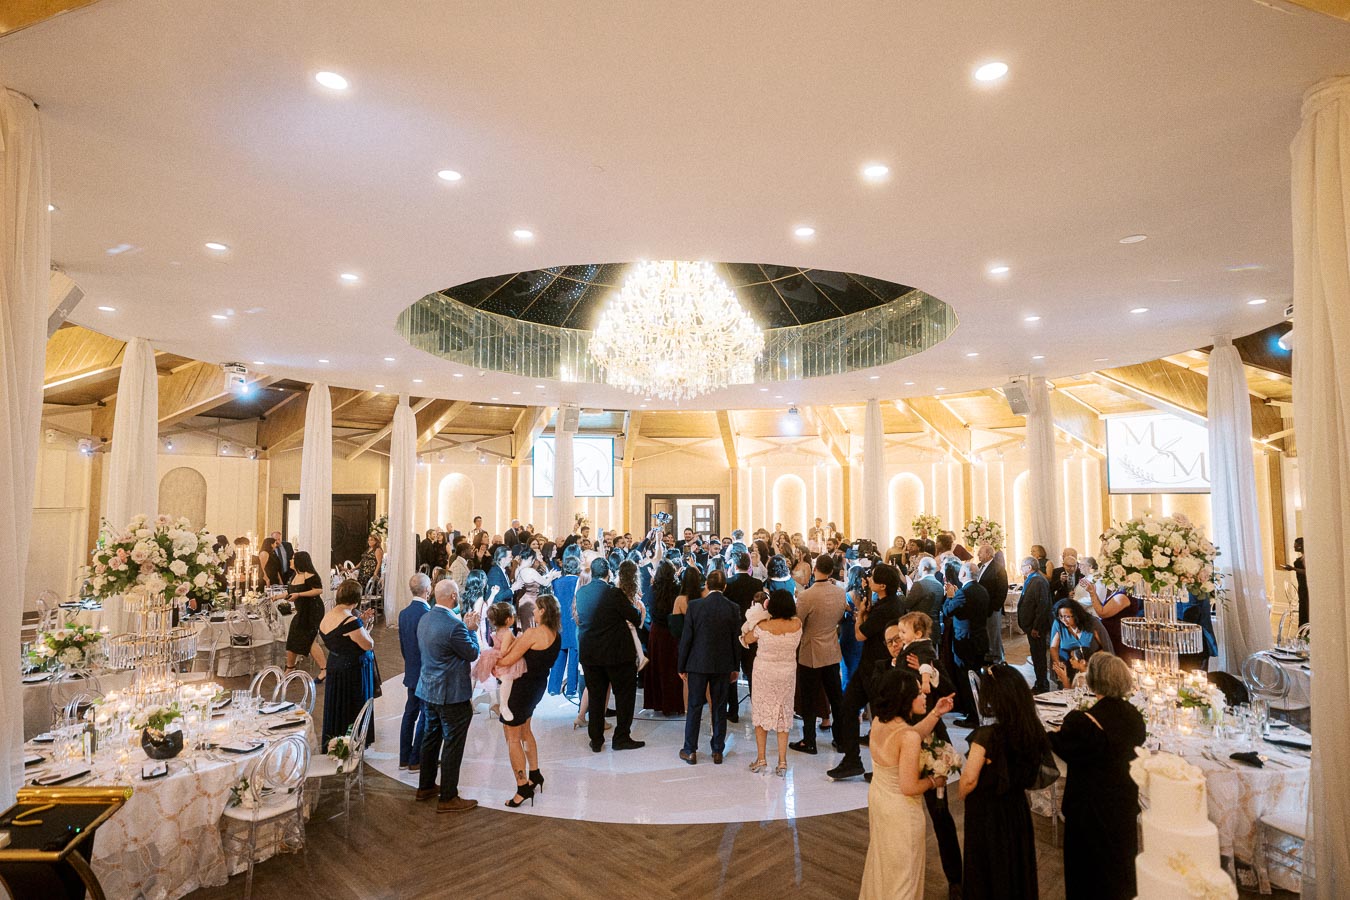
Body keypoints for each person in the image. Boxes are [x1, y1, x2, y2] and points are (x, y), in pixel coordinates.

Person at [1049, 653, 1148, 900]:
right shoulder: (1135, 717)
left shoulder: (1082, 722)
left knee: (1086, 876)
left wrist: (1055, 732)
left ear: (1093, 681)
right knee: (1120, 870)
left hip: (1088, 809)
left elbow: (1058, 745)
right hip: (1123, 804)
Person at [859, 666, 956, 900]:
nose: (924, 695)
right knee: (906, 874)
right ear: (905, 699)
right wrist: (935, 780)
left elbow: (910, 735)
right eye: (918, 693)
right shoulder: (908, 737)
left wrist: (935, 714)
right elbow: (909, 787)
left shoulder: (880, 723)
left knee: (884, 864)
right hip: (902, 811)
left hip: (880, 800)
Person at [958, 664, 1050, 899]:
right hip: (1016, 811)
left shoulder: (987, 737)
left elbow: (968, 780)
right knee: (1014, 867)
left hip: (987, 815)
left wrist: (960, 793)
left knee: (987, 872)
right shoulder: (1032, 730)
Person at [889, 613, 963, 895]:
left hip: (930, 735)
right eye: (893, 641)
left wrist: (928, 671)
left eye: (900, 636)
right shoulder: (889, 668)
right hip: (902, 738)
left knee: (940, 813)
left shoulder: (924, 654)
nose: (897, 643)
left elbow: (949, 688)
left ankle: (955, 877)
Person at [827, 563, 904, 781]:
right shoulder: (888, 603)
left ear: (882, 585)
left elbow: (860, 635)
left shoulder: (887, 608)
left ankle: (884, 766)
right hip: (868, 667)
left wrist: (860, 614)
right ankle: (853, 760)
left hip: (878, 670)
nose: (868, 580)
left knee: (881, 719)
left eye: (872, 578)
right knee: (849, 707)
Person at [415, 578, 482, 813]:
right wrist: (472, 631)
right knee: (453, 743)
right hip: (451, 694)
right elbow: (472, 653)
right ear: (453, 596)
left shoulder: (425, 617)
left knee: (430, 738)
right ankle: (448, 797)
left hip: (428, 689)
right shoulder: (455, 626)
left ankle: (425, 786)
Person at [493, 593, 561, 808]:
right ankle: (535, 774)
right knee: (526, 731)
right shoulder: (555, 634)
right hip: (537, 687)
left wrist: (491, 657)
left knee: (512, 738)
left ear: (543, 611)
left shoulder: (532, 634)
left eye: (536, 608)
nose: (532, 611)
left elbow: (507, 660)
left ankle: (522, 788)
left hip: (521, 690)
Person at [576, 558, 645, 753]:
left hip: (590, 653)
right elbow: (634, 617)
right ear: (609, 574)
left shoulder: (582, 592)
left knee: (597, 697)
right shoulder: (614, 593)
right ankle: (621, 737)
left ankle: (596, 740)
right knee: (624, 696)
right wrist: (638, 608)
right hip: (617, 655)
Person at [678, 570, 742, 765]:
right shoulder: (733, 608)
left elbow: (686, 639)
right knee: (720, 707)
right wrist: (735, 667)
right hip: (723, 664)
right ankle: (717, 751)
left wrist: (681, 665)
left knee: (695, 706)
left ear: (706, 585)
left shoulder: (695, 606)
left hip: (697, 663)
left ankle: (690, 750)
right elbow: (735, 641)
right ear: (724, 587)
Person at [790, 554, 846, 755]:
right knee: (836, 697)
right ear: (831, 571)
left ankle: (809, 740)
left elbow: (799, 622)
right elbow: (841, 616)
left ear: (814, 569)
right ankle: (841, 739)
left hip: (811, 650)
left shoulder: (806, 595)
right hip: (831, 648)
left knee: (809, 698)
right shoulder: (840, 593)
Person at [743, 589, 802, 775]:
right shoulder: (797, 625)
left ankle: (761, 759)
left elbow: (746, 639)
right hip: (787, 674)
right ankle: (782, 762)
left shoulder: (763, 626)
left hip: (764, 673)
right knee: (783, 714)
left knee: (761, 713)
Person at [318, 579, 377, 746]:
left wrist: (361, 624)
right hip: (352, 671)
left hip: (335, 665)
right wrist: (365, 627)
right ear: (356, 599)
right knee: (353, 706)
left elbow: (341, 640)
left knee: (338, 706)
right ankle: (354, 741)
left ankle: (335, 740)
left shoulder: (327, 616)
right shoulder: (350, 621)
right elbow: (368, 644)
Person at [943, 560, 990, 727]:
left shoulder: (964, 592)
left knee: (966, 678)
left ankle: (972, 715)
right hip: (980, 639)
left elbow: (948, 611)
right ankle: (979, 709)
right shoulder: (982, 590)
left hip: (965, 641)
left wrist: (950, 597)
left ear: (963, 575)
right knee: (977, 677)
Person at [723, 552, 764, 723]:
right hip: (751, 632)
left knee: (732, 673)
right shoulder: (757, 583)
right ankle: (758, 711)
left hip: (733, 633)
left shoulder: (729, 584)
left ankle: (733, 711)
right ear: (749, 566)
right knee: (752, 672)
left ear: (735, 565)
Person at [397, 573, 433, 771]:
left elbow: (403, 645)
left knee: (409, 713)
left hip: (411, 669)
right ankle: (415, 758)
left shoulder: (403, 614)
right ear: (428, 590)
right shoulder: (427, 614)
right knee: (425, 716)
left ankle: (404, 756)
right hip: (425, 672)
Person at [642, 559, 684, 716]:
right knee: (672, 667)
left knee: (658, 666)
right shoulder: (678, 589)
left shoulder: (653, 589)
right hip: (673, 632)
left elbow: (650, 609)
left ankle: (659, 702)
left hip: (657, 631)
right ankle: (674, 702)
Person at [472, 602, 526, 718]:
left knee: (507, 683)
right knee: (507, 681)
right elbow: (504, 651)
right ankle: (503, 705)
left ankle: (503, 704)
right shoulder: (507, 633)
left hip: (497, 657)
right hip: (504, 661)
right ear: (508, 620)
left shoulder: (499, 631)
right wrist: (516, 642)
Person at [283, 551, 327, 681]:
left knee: (308, 639)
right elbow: (292, 592)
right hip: (302, 611)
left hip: (312, 611)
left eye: (293, 559)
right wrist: (278, 597)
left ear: (299, 561)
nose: (290, 560)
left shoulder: (310, 575)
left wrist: (299, 595)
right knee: (294, 637)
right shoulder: (294, 576)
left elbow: (319, 590)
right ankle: (290, 668)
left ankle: (324, 670)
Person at [547, 552, 582, 698]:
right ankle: (571, 689)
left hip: (560, 622)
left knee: (559, 655)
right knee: (574, 656)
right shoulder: (579, 582)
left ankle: (553, 687)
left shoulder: (556, 582)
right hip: (574, 622)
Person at [1016, 557, 1054, 693]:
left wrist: (1036, 627)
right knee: (1036, 655)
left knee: (1039, 656)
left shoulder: (1038, 580)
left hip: (1036, 627)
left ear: (1029, 567)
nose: (1021, 569)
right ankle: (1040, 682)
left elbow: (1042, 606)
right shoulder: (1032, 579)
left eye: (1022, 566)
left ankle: (1042, 684)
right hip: (1031, 626)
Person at [1051, 599, 1100, 688]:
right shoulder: (1058, 623)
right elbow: (1054, 647)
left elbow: (1105, 646)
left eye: (1067, 616)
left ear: (1076, 615)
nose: (1063, 620)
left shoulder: (1092, 623)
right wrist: (1058, 664)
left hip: (1089, 666)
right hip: (1067, 665)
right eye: (1061, 616)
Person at [975, 544, 1008, 663]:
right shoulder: (979, 566)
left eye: (980, 552)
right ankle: (988, 655)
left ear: (988, 554)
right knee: (986, 633)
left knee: (994, 634)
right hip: (982, 607)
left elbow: (1002, 590)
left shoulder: (998, 568)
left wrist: (994, 607)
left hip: (992, 608)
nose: (978, 554)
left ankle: (997, 659)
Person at [901, 556, 944, 621]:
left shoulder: (919, 584)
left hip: (921, 624)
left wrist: (900, 594)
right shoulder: (940, 585)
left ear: (924, 568)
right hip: (935, 624)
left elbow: (907, 604)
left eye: (919, 566)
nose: (918, 568)